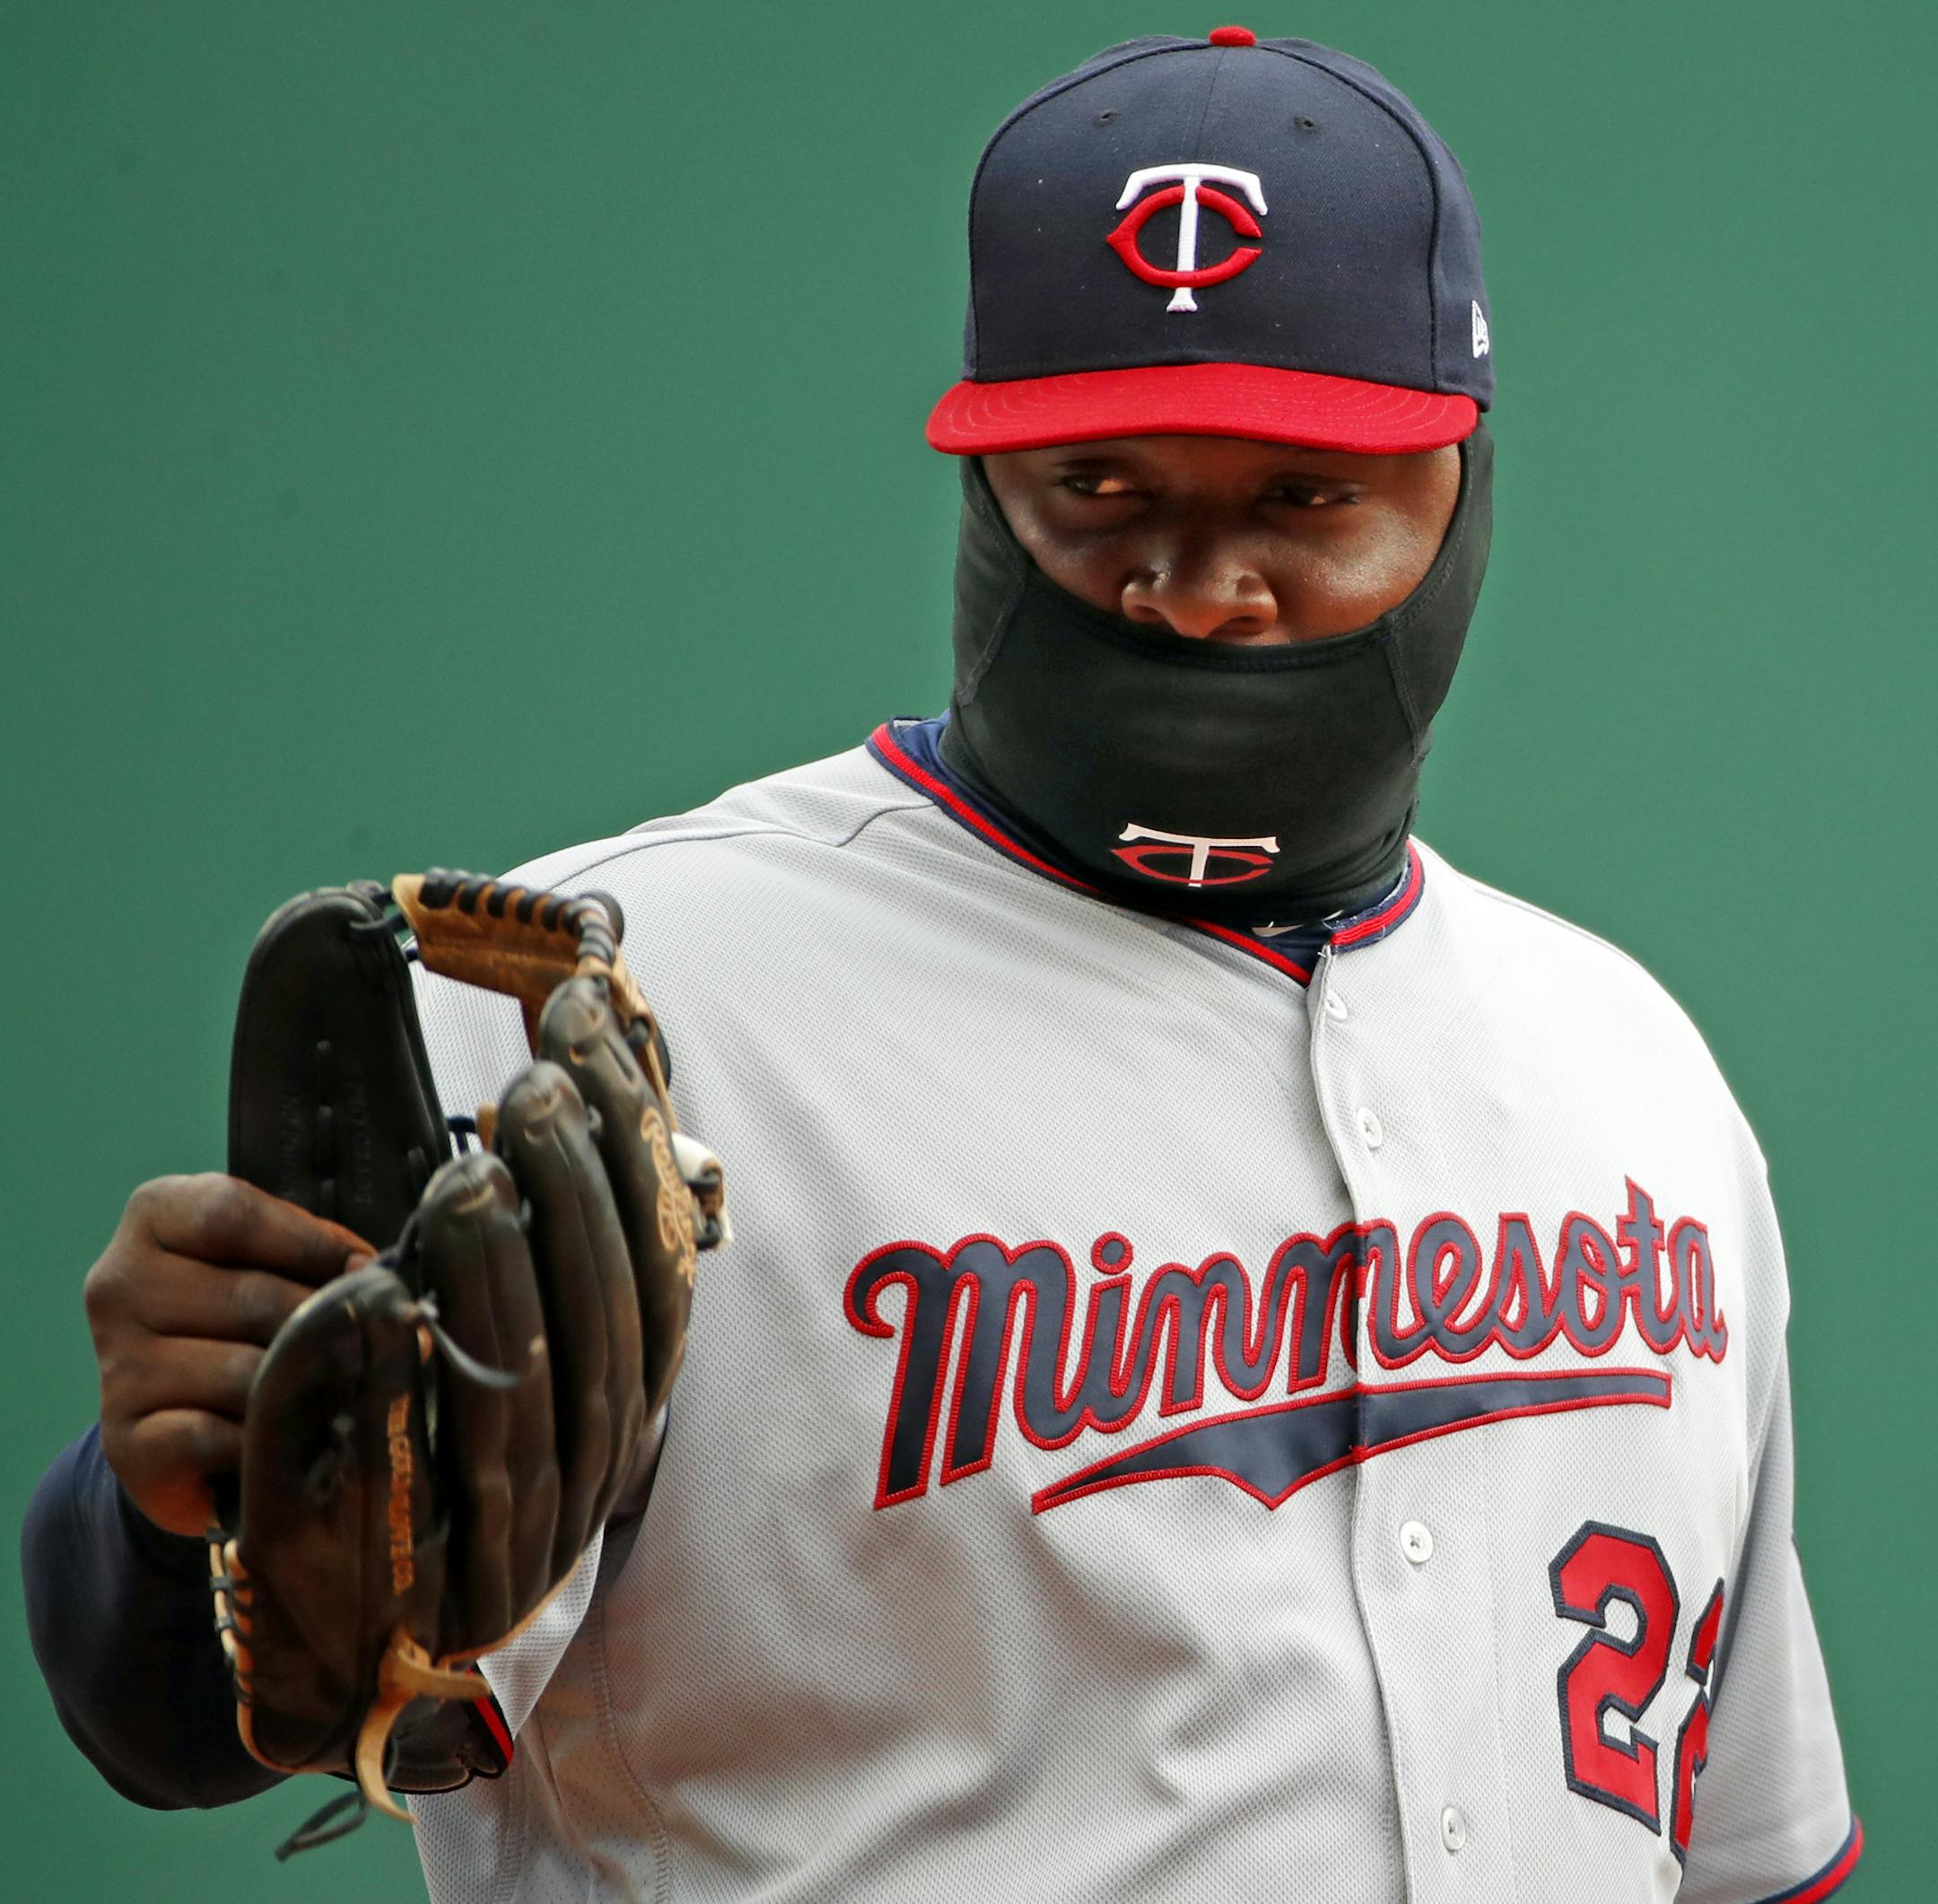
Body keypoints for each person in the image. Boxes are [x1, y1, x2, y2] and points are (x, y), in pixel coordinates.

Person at [23, 28, 1860, 1903]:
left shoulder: (1630, 1068)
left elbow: (1750, 1854)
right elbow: (183, 1701)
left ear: (1456, 492)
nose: (1198, 581)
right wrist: (165, 1526)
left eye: (1305, 497)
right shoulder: (600, 1002)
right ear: (988, 487)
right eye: (1104, 486)